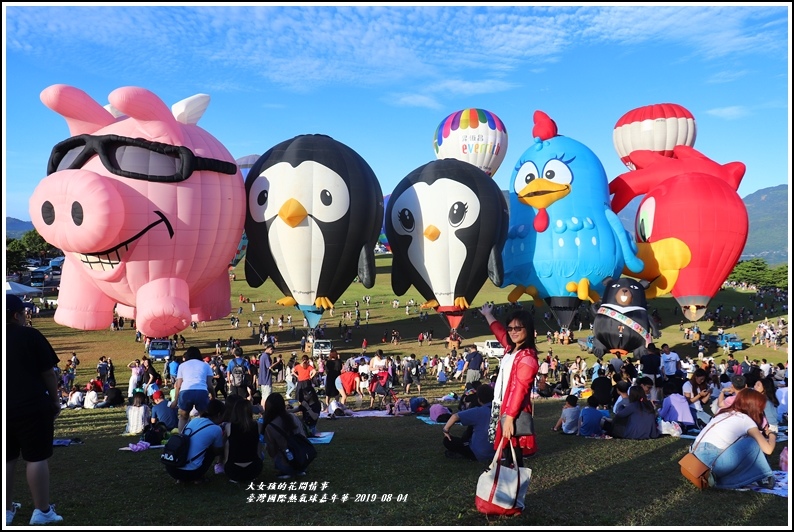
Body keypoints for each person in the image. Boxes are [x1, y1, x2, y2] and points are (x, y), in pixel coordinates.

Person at [6, 294, 64, 525]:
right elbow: (48, 372)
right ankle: (42, 510)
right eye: (23, 313)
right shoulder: (29, 335)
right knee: (36, 458)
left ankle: (6, 509)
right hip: (30, 405)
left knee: (6, 458)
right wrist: (55, 399)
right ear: (16, 315)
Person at [479, 302, 539, 463]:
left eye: (518, 328)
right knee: (506, 450)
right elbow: (499, 333)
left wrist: (510, 417)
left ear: (528, 329)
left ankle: (514, 484)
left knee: (513, 450)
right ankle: (510, 482)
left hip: (511, 408)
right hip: (500, 405)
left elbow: (520, 389)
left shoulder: (527, 357)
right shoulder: (511, 349)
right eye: (510, 328)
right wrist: (488, 315)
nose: (513, 332)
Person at [690, 389, 777, 490]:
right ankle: (764, 477)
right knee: (752, 443)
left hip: (694, 459)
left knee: (745, 442)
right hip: (710, 465)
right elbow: (768, 449)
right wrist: (772, 434)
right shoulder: (746, 420)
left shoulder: (724, 413)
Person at [164, 399, 225, 484]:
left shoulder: (194, 420)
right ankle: (198, 478)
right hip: (191, 473)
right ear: (219, 415)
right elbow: (218, 450)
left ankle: (181, 478)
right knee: (211, 450)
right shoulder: (216, 429)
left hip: (172, 468)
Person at [442, 384, 495, 462]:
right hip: (497, 453)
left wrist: (445, 430)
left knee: (448, 441)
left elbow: (455, 417)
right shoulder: (500, 410)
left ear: (479, 399)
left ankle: (462, 454)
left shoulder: (478, 411)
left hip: (478, 453)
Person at [262, 393, 309, 479]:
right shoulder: (292, 417)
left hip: (285, 462)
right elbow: (303, 437)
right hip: (302, 459)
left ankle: (286, 470)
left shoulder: (270, 427)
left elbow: (272, 452)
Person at [172, 346, 214, 432]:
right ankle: (203, 434)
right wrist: (213, 396)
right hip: (201, 391)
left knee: (183, 416)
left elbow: (178, 385)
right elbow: (209, 385)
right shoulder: (205, 365)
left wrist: (175, 400)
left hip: (186, 391)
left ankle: (182, 436)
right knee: (204, 416)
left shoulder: (182, 365)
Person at [222, 399, 263, 484]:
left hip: (233, 470)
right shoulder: (257, 426)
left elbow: (223, 444)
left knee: (227, 443)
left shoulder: (229, 427)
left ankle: (225, 464)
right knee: (258, 442)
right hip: (254, 469)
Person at [258, 343, 276, 409]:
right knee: (267, 397)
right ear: (269, 349)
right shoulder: (266, 356)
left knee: (263, 396)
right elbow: (269, 367)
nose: (272, 352)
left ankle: (262, 410)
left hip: (262, 380)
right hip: (266, 379)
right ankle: (265, 410)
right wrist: (277, 362)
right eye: (272, 351)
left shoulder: (262, 356)